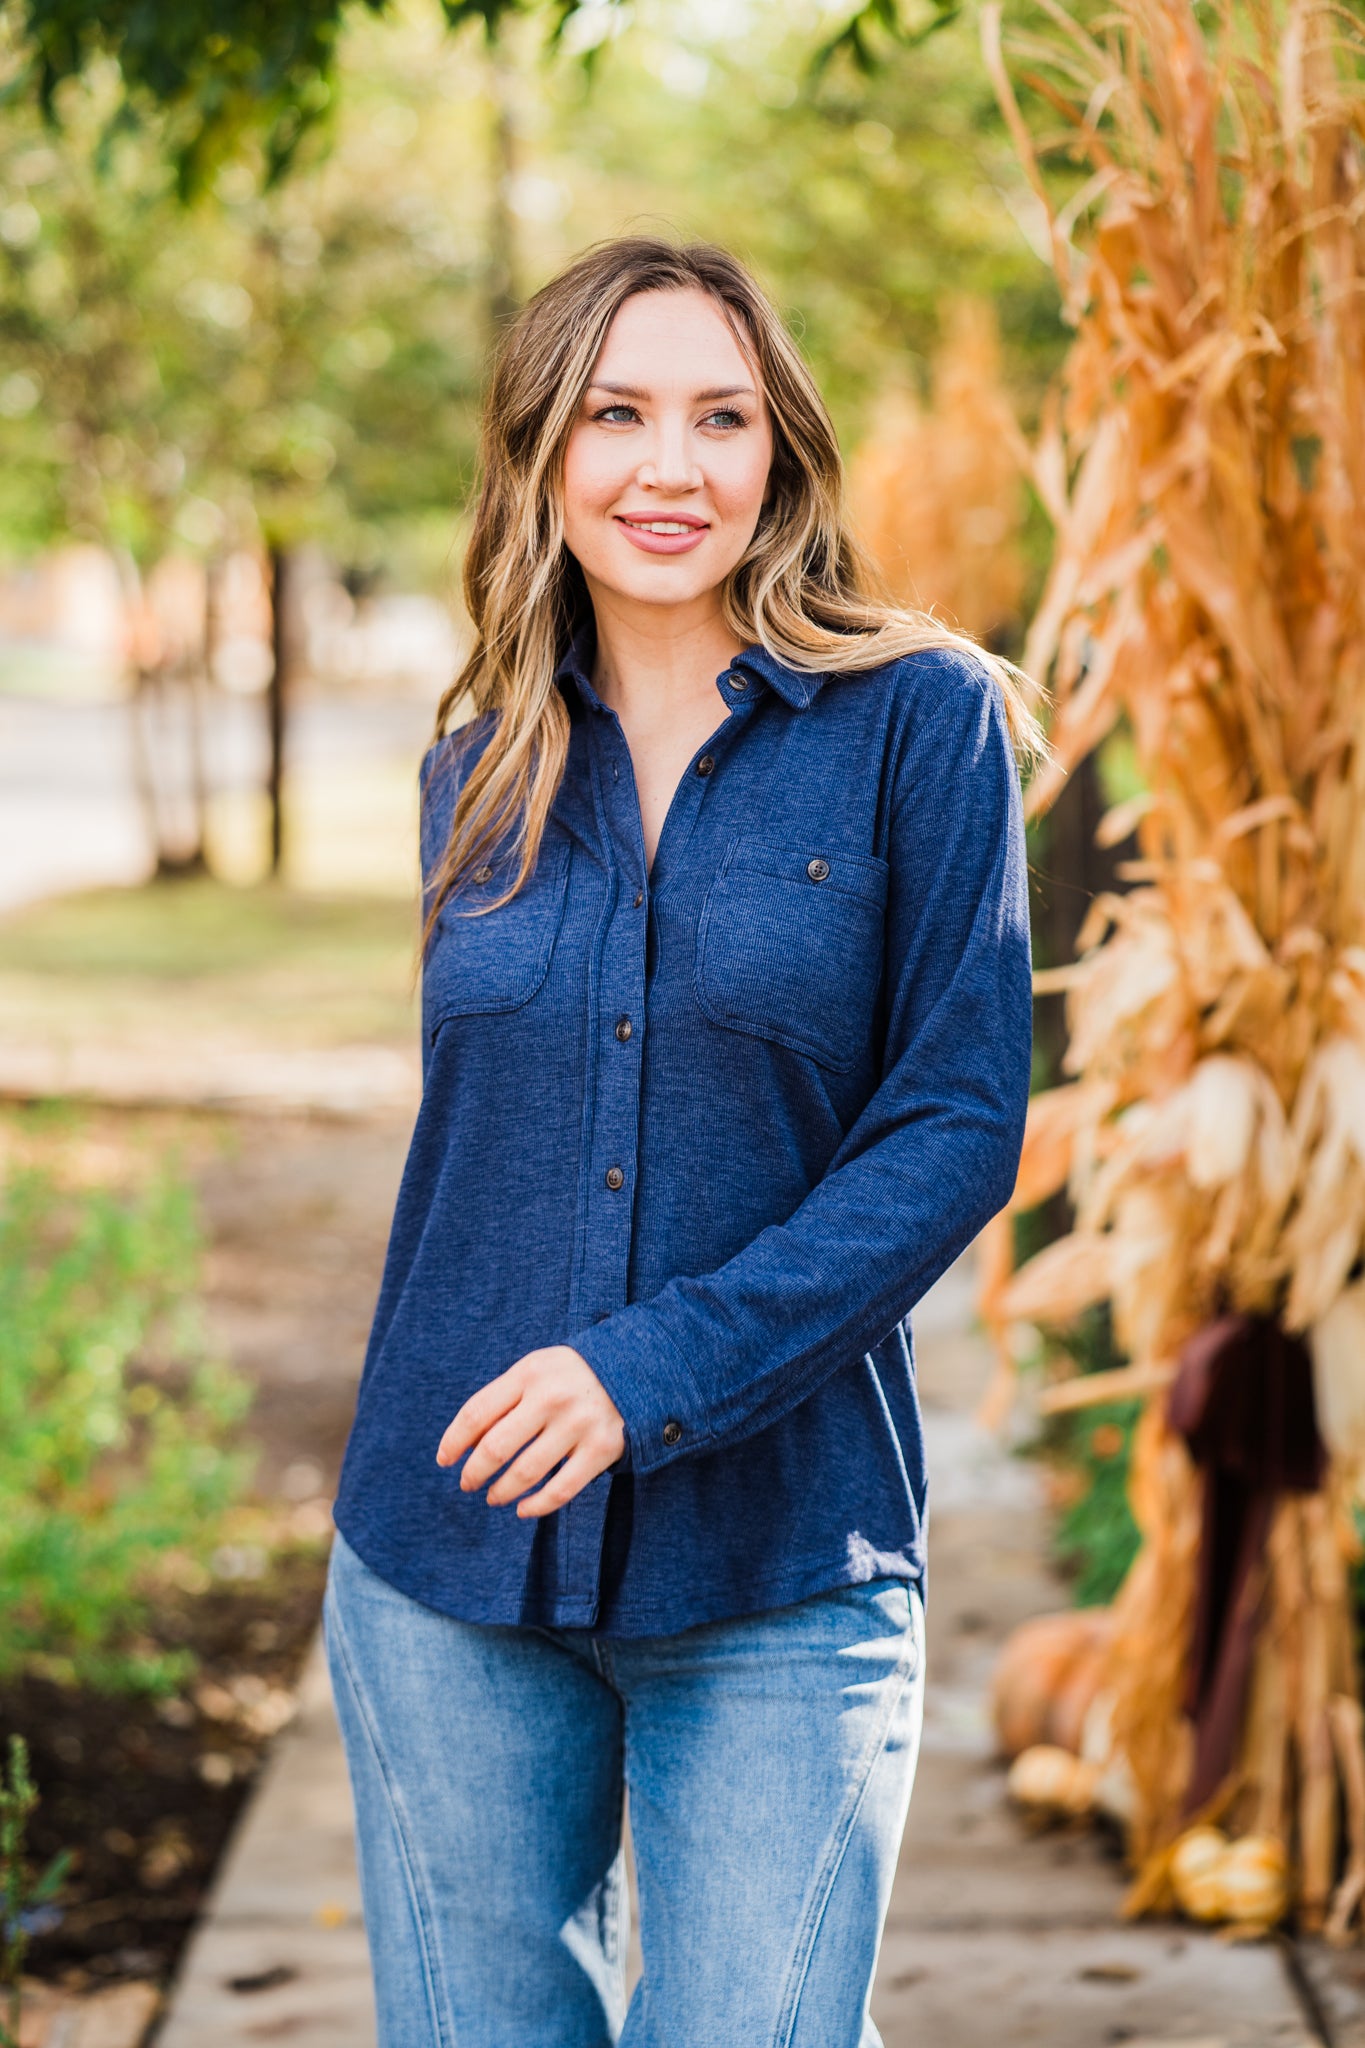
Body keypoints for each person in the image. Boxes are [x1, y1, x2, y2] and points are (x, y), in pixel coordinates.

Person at [324, 235, 1038, 2048]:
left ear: (778, 452)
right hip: (448, 1563)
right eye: (616, 414)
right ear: (540, 452)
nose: (671, 467)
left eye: (719, 417)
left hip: (780, 1559)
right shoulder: (473, 764)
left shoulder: (918, 725)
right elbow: (485, 1141)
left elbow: (953, 1128)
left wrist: (645, 1371)